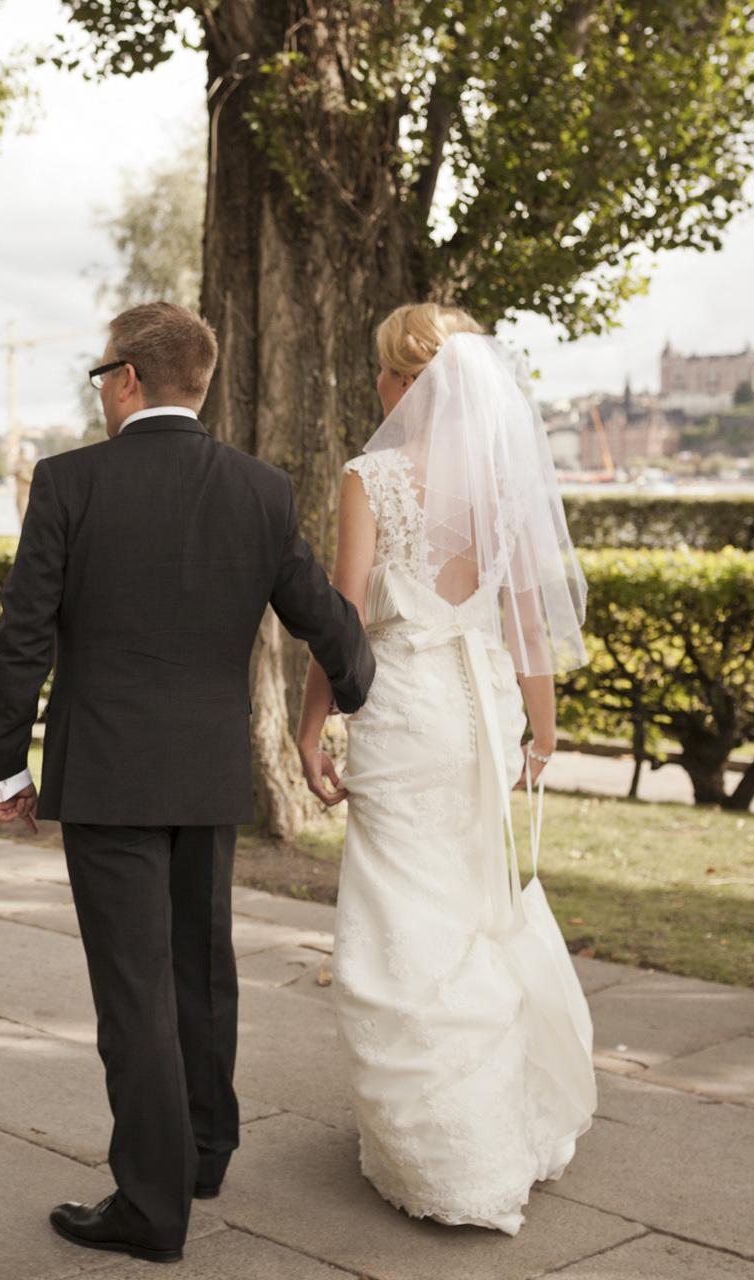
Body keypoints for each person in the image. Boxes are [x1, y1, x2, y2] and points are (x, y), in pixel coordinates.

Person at [0, 302, 374, 1264]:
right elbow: (327, 619)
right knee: (201, 973)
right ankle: (203, 1151)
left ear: (124, 379)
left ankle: (152, 1210)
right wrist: (360, 694)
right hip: (206, 773)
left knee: (134, 994)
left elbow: (23, 634)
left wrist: (6, 765)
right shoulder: (260, 489)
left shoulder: (69, 483)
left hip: (109, 775)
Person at [295, 303, 595, 1235]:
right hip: (479, 717)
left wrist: (309, 727)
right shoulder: (503, 483)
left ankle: (447, 1155)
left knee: (401, 923)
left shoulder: (370, 477)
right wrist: (538, 736)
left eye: (382, 375)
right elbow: (528, 626)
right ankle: (493, 1127)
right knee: (472, 913)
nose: (377, 391)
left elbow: (341, 622)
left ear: (402, 381)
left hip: (403, 714)